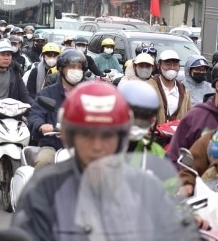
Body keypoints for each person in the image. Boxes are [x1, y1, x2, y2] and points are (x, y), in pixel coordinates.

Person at [13, 81, 201, 241]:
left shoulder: (145, 185)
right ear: (71, 137)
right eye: (87, 134)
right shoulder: (46, 187)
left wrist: (191, 224)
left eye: (107, 135)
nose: (97, 146)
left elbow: (174, 221)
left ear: (121, 138)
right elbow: (27, 230)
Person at [28, 49, 87, 170]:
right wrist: (41, 125)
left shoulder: (89, 93)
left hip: (82, 145)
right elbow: (35, 115)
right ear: (61, 68)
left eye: (79, 67)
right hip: (53, 144)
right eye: (72, 67)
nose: (76, 70)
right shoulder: (46, 93)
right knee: (43, 163)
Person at [117, 80, 166, 157]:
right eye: (131, 117)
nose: (136, 125)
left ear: (153, 120)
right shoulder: (102, 146)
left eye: (144, 118)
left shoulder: (155, 152)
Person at [148, 50, 191, 123]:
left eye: (175, 64)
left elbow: (189, 115)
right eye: (167, 64)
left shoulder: (184, 91)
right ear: (159, 65)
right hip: (154, 133)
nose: (172, 67)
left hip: (178, 133)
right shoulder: (149, 87)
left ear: (179, 67)